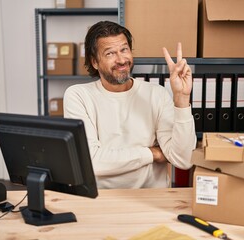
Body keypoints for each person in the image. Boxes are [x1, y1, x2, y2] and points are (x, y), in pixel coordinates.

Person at [64, 21, 196, 189]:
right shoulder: (79, 95)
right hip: (101, 199)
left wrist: (182, 98)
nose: (121, 60)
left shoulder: (157, 94)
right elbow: (91, 161)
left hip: (152, 199)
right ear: (94, 62)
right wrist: (152, 153)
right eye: (110, 53)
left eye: (124, 49)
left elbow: (183, 160)